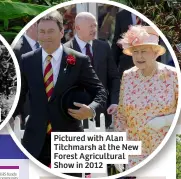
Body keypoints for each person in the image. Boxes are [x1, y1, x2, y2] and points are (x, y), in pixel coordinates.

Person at [13, 10, 107, 177]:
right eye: (41, 32)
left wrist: (91, 109)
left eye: (51, 31)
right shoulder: (27, 60)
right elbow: (18, 95)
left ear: (62, 32)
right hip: (35, 140)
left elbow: (100, 91)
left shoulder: (79, 60)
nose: (45, 36)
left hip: (69, 139)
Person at [114, 25, 178, 170]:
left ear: (155, 53)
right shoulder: (128, 76)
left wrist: (165, 120)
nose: (139, 56)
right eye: (135, 52)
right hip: (135, 154)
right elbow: (122, 115)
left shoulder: (172, 75)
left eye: (143, 51)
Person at [64, 12, 120, 128]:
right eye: (91, 26)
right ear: (78, 28)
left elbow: (113, 77)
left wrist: (114, 101)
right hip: (76, 112)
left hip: (102, 112)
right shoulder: (66, 50)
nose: (94, 29)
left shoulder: (104, 47)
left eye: (95, 25)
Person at [13, 23, 39, 126]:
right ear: (31, 26)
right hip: (26, 110)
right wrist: (16, 112)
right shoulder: (16, 49)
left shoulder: (46, 47)